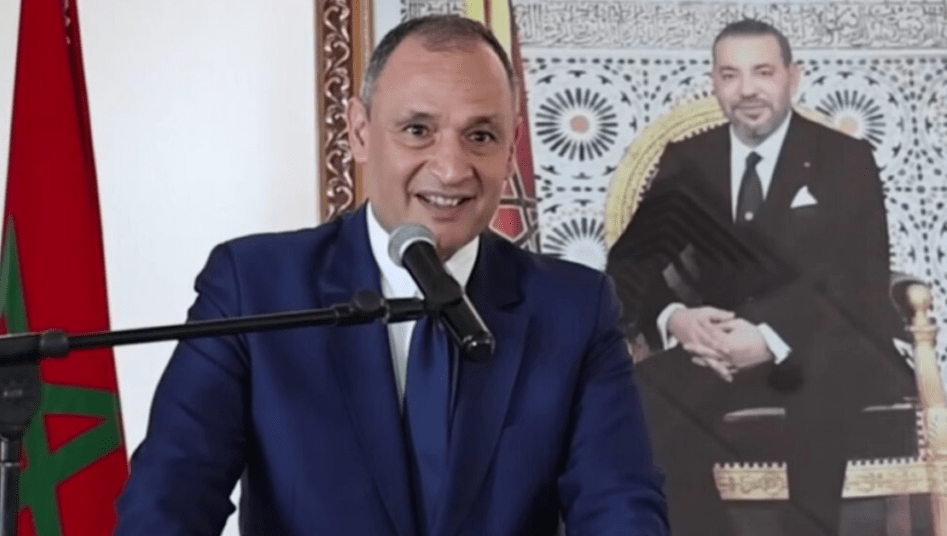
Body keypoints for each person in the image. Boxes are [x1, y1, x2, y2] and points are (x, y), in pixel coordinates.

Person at [115, 14, 668, 536]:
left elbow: (620, 507)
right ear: (359, 132)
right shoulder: (253, 287)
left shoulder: (574, 307)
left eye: (480, 136)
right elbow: (168, 502)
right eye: (418, 130)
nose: (450, 169)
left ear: (511, 146)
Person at [607, 19, 914, 536]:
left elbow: (857, 277)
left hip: (827, 340)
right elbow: (628, 265)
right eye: (731, 75)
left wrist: (768, 336)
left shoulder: (844, 158)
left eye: (763, 72)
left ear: (794, 76)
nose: (747, 89)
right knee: (639, 399)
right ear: (714, 83)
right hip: (720, 347)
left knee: (819, 386)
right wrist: (677, 318)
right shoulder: (691, 159)